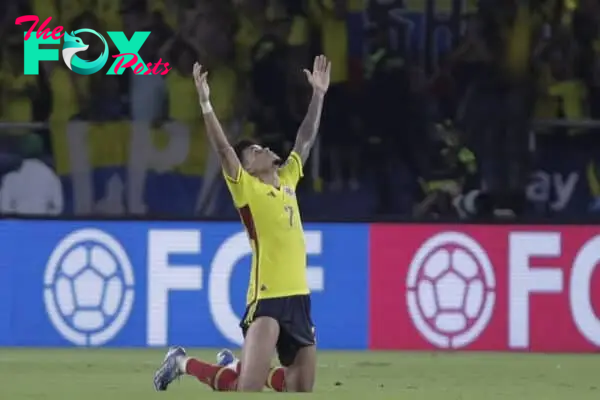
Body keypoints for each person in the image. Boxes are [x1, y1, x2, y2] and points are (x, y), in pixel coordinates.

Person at [153, 55, 331, 392]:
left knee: (300, 387)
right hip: (267, 300)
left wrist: (318, 96)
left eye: (261, 147)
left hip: (299, 299)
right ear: (247, 169)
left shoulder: (288, 177)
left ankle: (234, 364)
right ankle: (182, 362)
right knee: (247, 389)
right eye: (255, 152)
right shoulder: (246, 189)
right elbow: (223, 149)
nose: (263, 149)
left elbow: (305, 138)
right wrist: (205, 103)